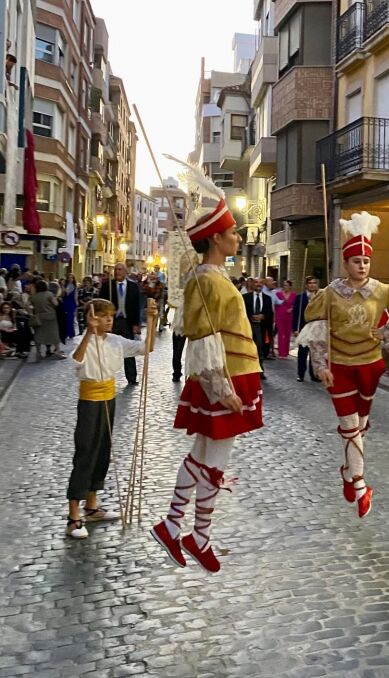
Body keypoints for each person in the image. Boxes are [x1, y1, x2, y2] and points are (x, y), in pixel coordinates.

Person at [151, 160, 263, 573]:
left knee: (203, 453)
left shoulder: (212, 277)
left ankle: (180, 528)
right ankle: (191, 534)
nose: (238, 237)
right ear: (216, 239)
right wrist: (222, 390)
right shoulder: (209, 280)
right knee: (213, 460)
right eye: (233, 232)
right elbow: (201, 340)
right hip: (227, 378)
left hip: (233, 376)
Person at [299, 211, 389, 519]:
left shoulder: (383, 291)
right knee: (349, 425)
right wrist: (320, 364)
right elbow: (317, 330)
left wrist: (385, 332)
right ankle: (359, 486)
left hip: (370, 365)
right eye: (356, 261)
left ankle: (347, 470)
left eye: (366, 261)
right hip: (339, 366)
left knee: (361, 427)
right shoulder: (329, 294)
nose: (362, 266)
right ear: (346, 263)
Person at [66, 298, 158, 539]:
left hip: (109, 397)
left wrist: (153, 320)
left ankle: (92, 506)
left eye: (111, 315)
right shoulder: (81, 341)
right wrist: (88, 332)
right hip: (89, 401)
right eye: (104, 315)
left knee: (103, 450)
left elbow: (146, 348)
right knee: (85, 451)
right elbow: (75, 362)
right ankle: (73, 516)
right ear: (92, 317)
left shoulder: (116, 341)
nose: (109, 319)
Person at [99, 263, 141, 385]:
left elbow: (136, 306)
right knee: (108, 348)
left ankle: (131, 377)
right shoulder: (108, 286)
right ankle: (105, 375)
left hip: (127, 322)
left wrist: (136, 324)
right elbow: (101, 305)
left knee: (129, 349)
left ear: (125, 272)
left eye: (120, 269)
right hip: (112, 322)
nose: (117, 272)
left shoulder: (133, 287)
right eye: (116, 270)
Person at [242, 278, 273, 380]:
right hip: (249, 326)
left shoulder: (267, 298)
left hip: (262, 327)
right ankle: (248, 371)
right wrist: (251, 316)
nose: (258, 284)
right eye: (256, 282)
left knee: (260, 349)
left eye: (260, 283)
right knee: (249, 349)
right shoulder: (245, 297)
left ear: (263, 284)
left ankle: (260, 370)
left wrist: (263, 316)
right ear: (252, 284)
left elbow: (270, 314)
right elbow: (242, 312)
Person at [292, 276, 320, 382]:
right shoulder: (300, 297)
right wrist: (295, 329)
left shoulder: (320, 297)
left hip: (316, 329)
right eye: (310, 283)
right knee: (303, 352)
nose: (312, 285)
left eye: (314, 283)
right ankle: (301, 374)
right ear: (306, 285)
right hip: (303, 328)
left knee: (315, 353)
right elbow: (295, 314)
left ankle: (314, 374)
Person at [29, 279, 64, 359]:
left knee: (38, 335)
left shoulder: (34, 296)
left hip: (39, 317)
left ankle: (38, 352)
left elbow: (28, 305)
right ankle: (57, 351)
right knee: (54, 334)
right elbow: (56, 304)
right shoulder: (49, 294)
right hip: (50, 316)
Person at [274, 279, 296, 359]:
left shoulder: (294, 295)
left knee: (287, 335)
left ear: (290, 287)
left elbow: (295, 305)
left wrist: (292, 309)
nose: (285, 287)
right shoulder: (278, 294)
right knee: (281, 334)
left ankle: (286, 352)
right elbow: (275, 306)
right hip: (280, 316)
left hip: (289, 317)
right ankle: (281, 353)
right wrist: (275, 317)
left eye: (286, 285)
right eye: (284, 285)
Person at [62, 274, 78, 339]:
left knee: (70, 319)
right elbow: (63, 294)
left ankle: (71, 334)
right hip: (65, 302)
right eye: (69, 278)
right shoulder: (65, 285)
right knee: (65, 319)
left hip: (71, 303)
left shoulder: (74, 286)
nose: (70, 279)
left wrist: (76, 304)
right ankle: (65, 333)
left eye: (72, 278)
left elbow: (75, 296)